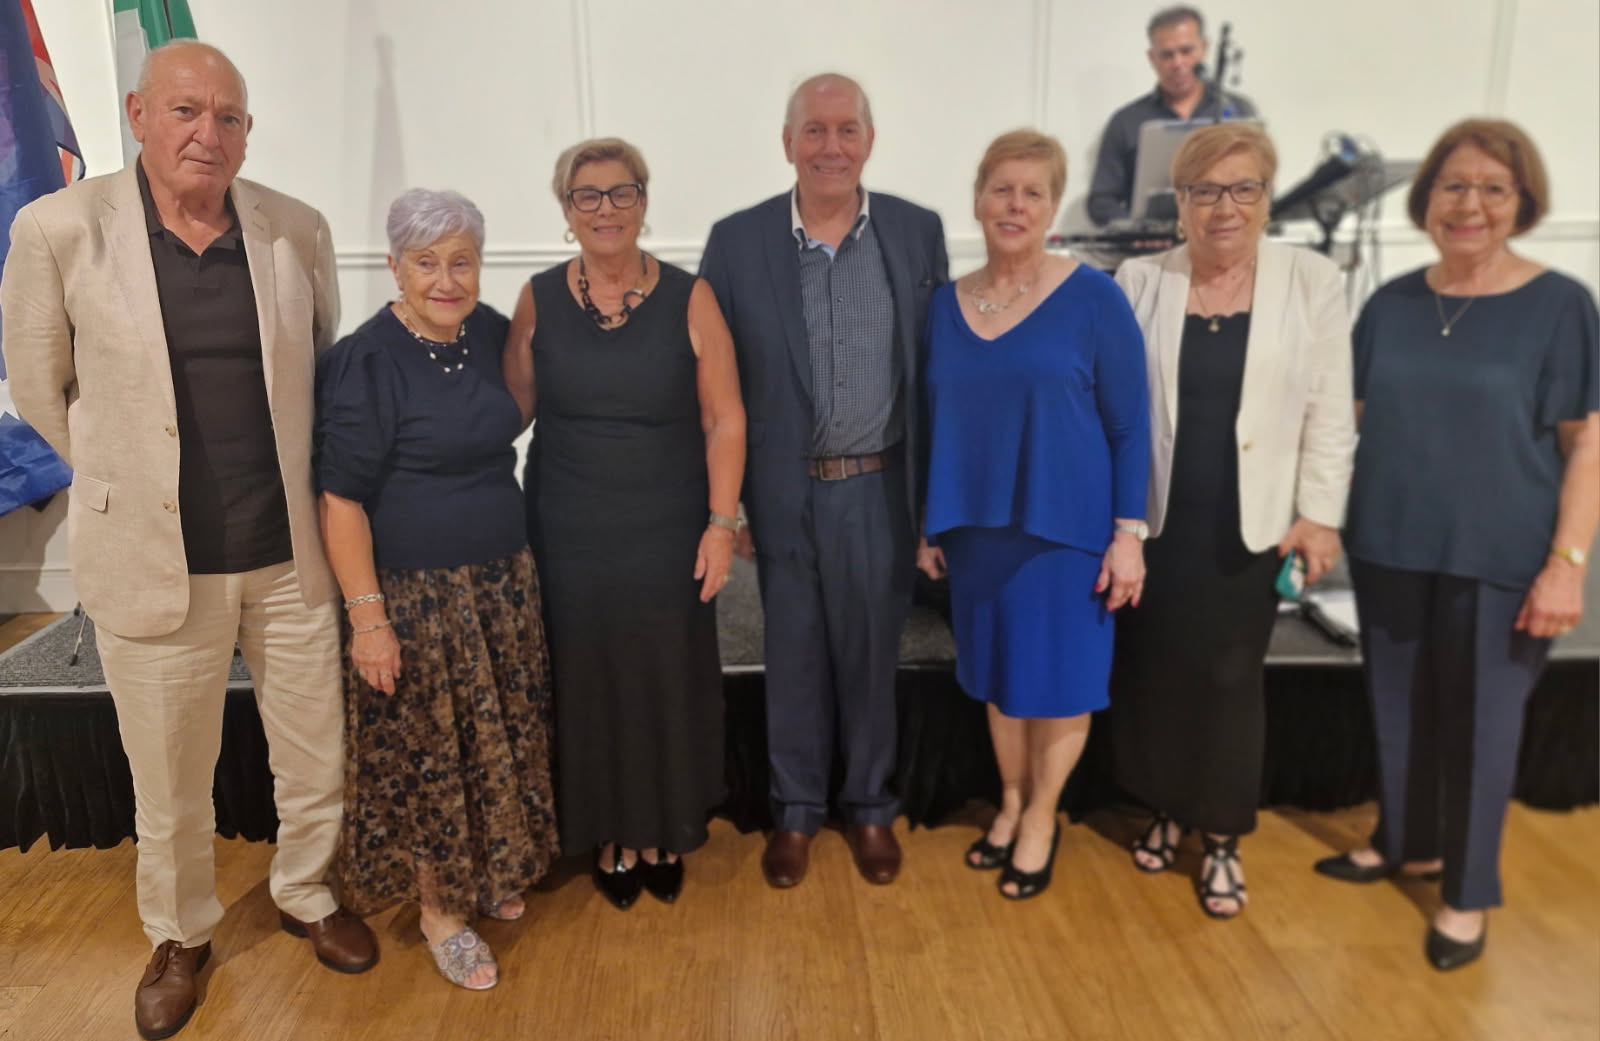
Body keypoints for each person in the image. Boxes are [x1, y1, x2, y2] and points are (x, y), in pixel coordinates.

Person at [0, 41, 376, 1039]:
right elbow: (39, 387)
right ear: (137, 115)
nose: (209, 132)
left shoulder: (294, 228)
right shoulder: (59, 229)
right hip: (152, 562)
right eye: (186, 110)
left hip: (288, 555)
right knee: (169, 781)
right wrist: (122, 475)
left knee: (314, 753)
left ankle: (307, 892)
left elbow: (319, 363)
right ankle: (179, 934)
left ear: (248, 132)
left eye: (229, 115)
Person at [1315, 119, 1598, 970]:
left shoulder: (1560, 305)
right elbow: (1342, 421)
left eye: (1492, 188)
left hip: (1503, 555)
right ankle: (1406, 842)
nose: (1470, 204)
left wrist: (1567, 564)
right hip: (1389, 541)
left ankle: (1467, 894)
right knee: (1398, 708)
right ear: (1427, 198)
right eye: (1453, 185)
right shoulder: (1392, 303)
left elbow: (1587, 443)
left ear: (1522, 202)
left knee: (1481, 729)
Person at [699, 73, 948, 889]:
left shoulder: (916, 232)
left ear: (869, 141)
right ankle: (797, 811)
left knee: (873, 654)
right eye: (814, 130)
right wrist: (726, 507)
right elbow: (712, 388)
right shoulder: (737, 242)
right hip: (781, 491)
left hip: (880, 488)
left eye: (846, 130)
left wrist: (934, 506)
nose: (830, 146)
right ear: (787, 143)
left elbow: (937, 376)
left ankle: (871, 805)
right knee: (794, 654)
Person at [1110, 122, 1356, 919]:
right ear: (1179, 201)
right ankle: (1166, 805)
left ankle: (1220, 833)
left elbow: (1330, 411)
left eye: (1243, 188)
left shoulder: (1310, 279)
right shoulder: (1140, 278)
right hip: (1157, 524)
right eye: (1205, 190)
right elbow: (1117, 410)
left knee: (1229, 680)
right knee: (1156, 673)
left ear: (1266, 197)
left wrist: (1320, 515)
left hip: (1252, 527)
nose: (1225, 207)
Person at [315, 189, 559, 989]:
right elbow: (340, 500)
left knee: (493, 740)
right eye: (427, 263)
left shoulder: (491, 334)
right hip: (416, 597)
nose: (447, 280)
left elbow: (518, 414)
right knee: (432, 756)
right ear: (395, 266)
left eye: (462, 261)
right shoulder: (368, 359)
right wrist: (369, 621)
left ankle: (485, 873)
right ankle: (440, 912)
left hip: (501, 584)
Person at [503, 138, 745, 911]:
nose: (605, 209)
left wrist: (721, 523)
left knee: (664, 675)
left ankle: (663, 826)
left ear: (643, 201)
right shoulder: (538, 298)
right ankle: (607, 830)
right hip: (567, 528)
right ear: (566, 208)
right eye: (588, 194)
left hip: (668, 527)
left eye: (621, 192)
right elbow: (507, 413)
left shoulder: (691, 297)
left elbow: (726, 418)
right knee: (587, 678)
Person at [917, 130, 1150, 900]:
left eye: (1033, 193)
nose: (1015, 205)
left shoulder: (1095, 298)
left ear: (1052, 208)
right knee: (999, 677)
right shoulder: (943, 305)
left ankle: (1043, 815)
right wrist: (929, 523)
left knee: (1060, 683)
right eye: (1002, 189)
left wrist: (1128, 535)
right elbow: (933, 422)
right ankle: (1012, 801)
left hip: (1068, 534)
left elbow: (1130, 426)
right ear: (978, 199)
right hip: (976, 534)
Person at [1087, 6, 1258, 226]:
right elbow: (1101, 201)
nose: (1178, 63)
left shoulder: (1237, 111)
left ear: (1204, 48)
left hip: (1224, 233)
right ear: (1152, 58)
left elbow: (1260, 186)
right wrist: (1136, 230)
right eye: (1167, 55)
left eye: (1186, 51)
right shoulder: (1126, 122)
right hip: (1149, 241)